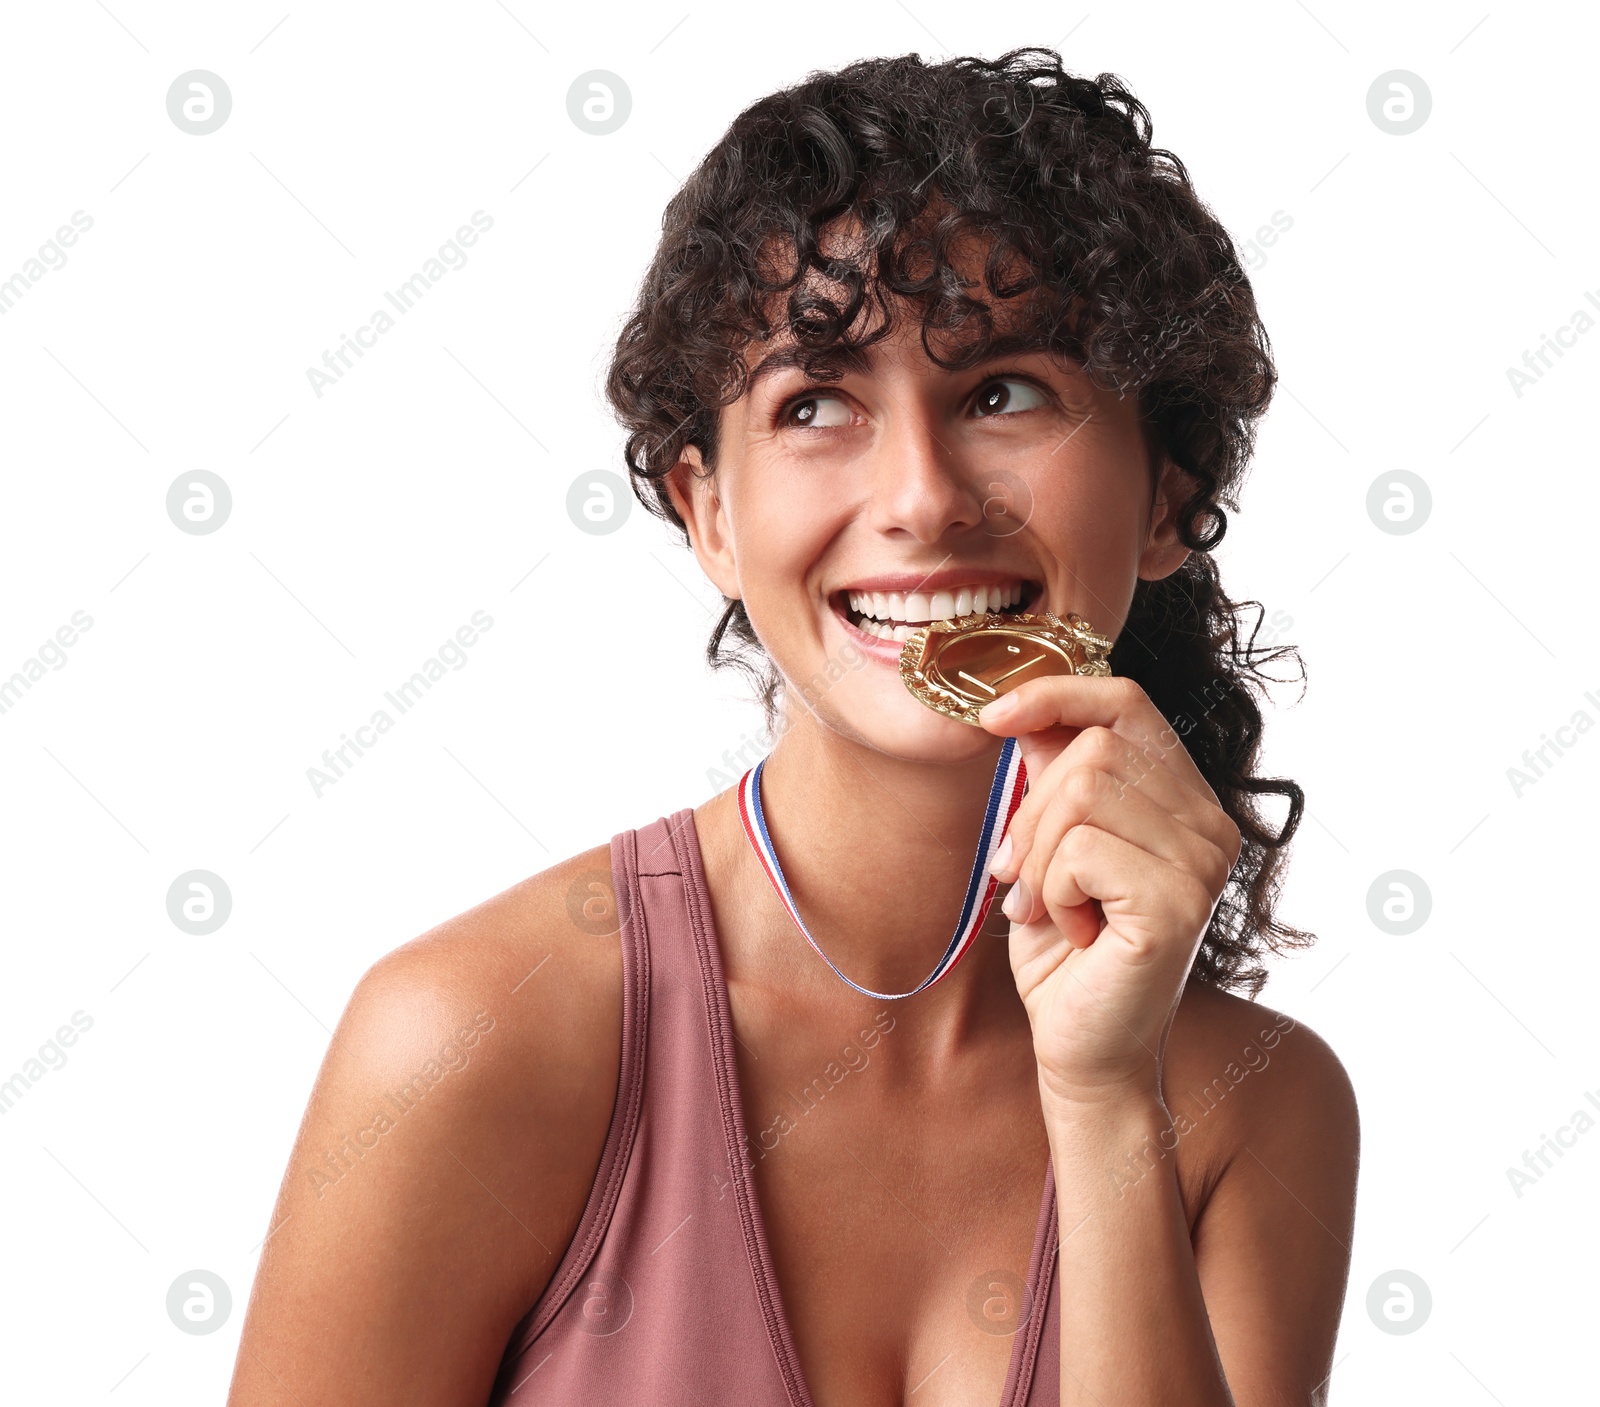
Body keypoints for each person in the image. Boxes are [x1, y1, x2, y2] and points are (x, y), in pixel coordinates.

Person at [227, 47, 1359, 1407]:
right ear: (708, 512)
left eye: (1004, 392)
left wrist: (1109, 1099)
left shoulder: (1252, 1108)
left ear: (1167, 497)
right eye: (817, 404)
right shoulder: (476, 1042)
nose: (923, 501)